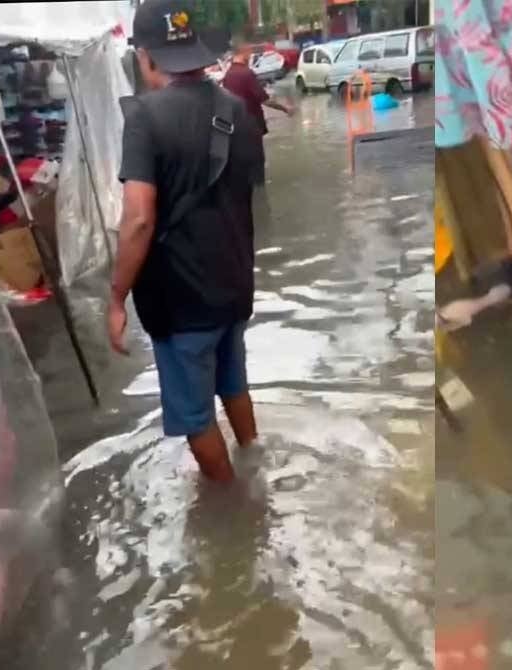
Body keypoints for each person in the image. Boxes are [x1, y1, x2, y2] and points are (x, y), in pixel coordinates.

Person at [107, 0, 261, 482]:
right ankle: (255, 462)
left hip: (182, 301)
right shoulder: (237, 109)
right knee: (233, 384)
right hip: (234, 285)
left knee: (196, 419)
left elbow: (137, 220)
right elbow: (246, 194)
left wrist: (115, 298)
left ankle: (235, 511)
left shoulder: (145, 118)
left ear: (145, 56)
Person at [221, 40, 294, 186]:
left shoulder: (228, 75)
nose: (250, 55)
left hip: (235, 128)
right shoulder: (246, 73)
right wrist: (285, 108)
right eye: (248, 51)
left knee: (242, 168)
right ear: (242, 53)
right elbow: (264, 100)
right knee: (257, 167)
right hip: (251, 127)